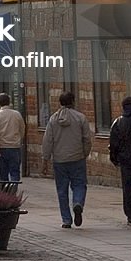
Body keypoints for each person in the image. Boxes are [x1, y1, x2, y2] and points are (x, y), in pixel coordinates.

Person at [41, 91, 92, 228]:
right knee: (80, 184)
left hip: (59, 160)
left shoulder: (53, 120)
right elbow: (87, 139)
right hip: (77, 157)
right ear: (73, 101)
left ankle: (66, 220)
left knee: (62, 190)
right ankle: (77, 203)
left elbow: (47, 141)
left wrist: (45, 160)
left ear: (60, 102)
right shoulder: (80, 118)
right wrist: (84, 153)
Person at [109, 96, 131, 226]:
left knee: (128, 189)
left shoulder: (119, 122)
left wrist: (114, 159)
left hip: (125, 160)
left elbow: (113, 143)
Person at [0, 92, 25, 183]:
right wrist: (19, 140)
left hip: (2, 148)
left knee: (3, 175)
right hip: (14, 147)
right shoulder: (17, 115)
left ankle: (5, 194)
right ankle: (13, 191)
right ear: (9, 102)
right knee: (15, 173)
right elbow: (22, 129)